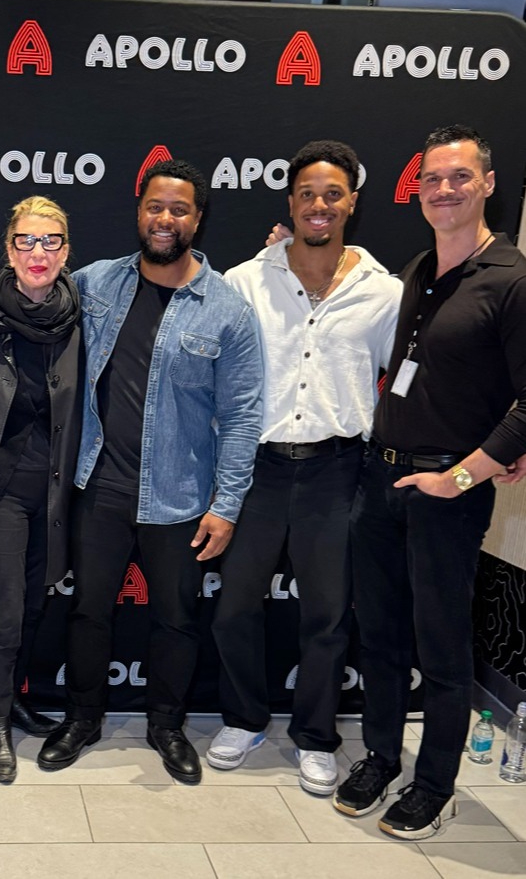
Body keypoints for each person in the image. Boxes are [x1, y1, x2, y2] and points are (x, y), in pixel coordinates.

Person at [0, 159, 263, 783]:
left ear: (197, 218)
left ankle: (166, 725)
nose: (165, 218)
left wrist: (227, 504)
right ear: (139, 211)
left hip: (180, 496)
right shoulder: (98, 284)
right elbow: (30, 283)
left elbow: (241, 415)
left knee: (175, 619)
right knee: (89, 612)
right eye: (155, 205)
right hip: (96, 486)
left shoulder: (227, 309)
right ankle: (83, 718)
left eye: (179, 208)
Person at [333, 125, 526, 839]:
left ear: (488, 183)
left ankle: (435, 784)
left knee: (441, 649)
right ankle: (382, 756)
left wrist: (469, 472)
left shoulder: (511, 280)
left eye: (459, 177)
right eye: (433, 179)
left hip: (446, 495)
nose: (444, 189)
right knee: (379, 637)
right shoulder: (419, 269)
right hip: (379, 481)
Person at [209, 141, 401, 795]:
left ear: (352, 202)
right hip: (256, 470)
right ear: (291, 204)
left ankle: (316, 736)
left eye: (333, 194)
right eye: (308, 194)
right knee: (235, 607)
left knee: (327, 614)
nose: (320, 205)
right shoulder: (244, 281)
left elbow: (403, 382)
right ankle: (244, 716)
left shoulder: (384, 293)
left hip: (337, 470)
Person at [0, 196, 82, 783]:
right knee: (5, 611)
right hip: (2, 492)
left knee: (35, 605)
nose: (38, 253)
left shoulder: (82, 311)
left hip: (56, 493)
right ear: (9, 250)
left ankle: (17, 697)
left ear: (66, 250)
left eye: (50, 241)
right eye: (26, 241)